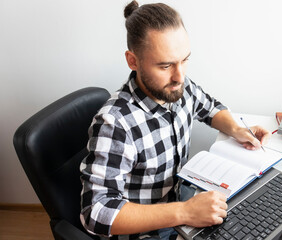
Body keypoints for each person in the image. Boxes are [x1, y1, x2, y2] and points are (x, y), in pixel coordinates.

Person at [80, 1, 271, 239]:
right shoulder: (114, 124)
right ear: (133, 61)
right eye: (166, 65)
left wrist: (237, 129)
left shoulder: (177, 86)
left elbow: (209, 109)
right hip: (146, 232)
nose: (179, 76)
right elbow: (95, 212)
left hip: (180, 209)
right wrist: (184, 212)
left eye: (184, 60)